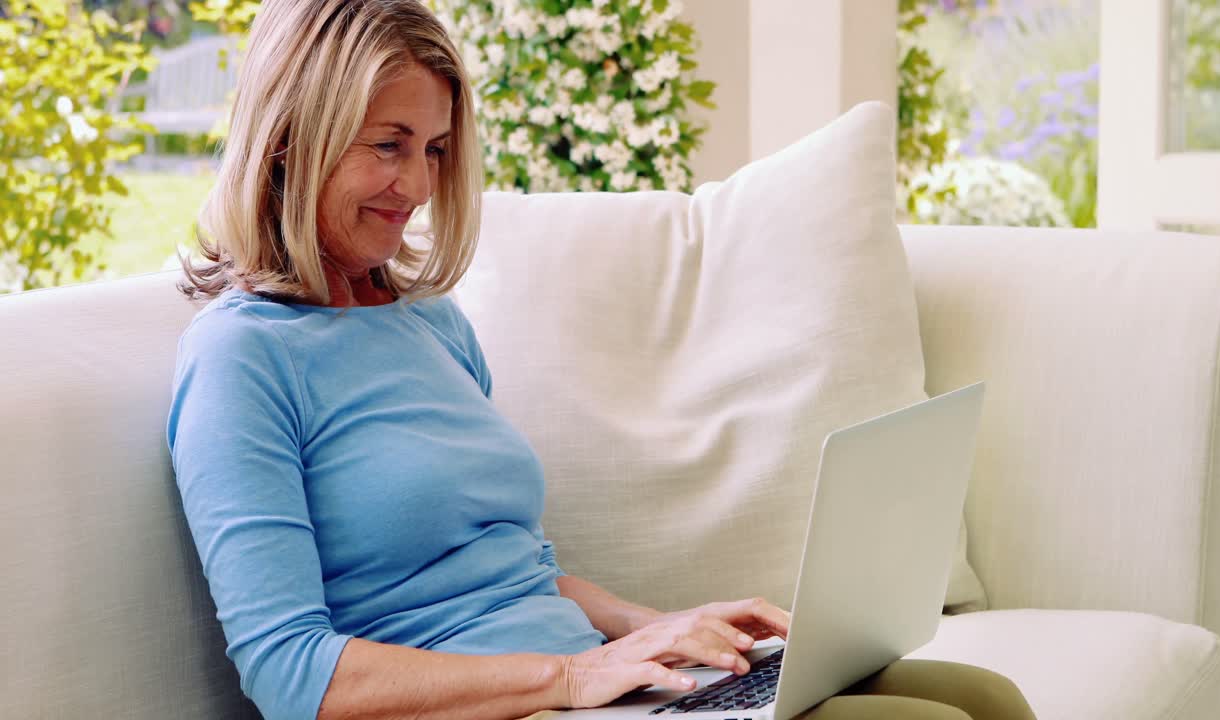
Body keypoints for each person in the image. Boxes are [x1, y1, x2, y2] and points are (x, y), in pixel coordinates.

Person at [167, 1, 1037, 719]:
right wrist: (575, 678)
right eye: (388, 146)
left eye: (434, 150)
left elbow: (517, 570)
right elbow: (289, 673)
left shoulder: (428, 324)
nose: (420, 185)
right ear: (290, 139)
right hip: (515, 704)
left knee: (983, 699)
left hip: (586, 689)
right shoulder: (240, 360)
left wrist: (656, 627)